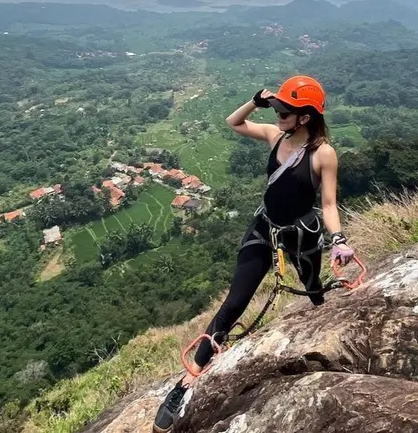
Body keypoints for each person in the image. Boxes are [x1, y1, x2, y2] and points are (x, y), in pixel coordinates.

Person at [152, 75, 355, 433]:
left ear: (305, 117)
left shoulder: (323, 154)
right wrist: (255, 102)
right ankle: (185, 385)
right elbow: (235, 123)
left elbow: (328, 203)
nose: (277, 115)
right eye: (276, 109)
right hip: (264, 228)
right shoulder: (275, 136)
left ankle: (325, 330)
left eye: (283, 110)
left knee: (313, 291)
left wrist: (337, 239)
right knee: (233, 303)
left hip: (301, 234)